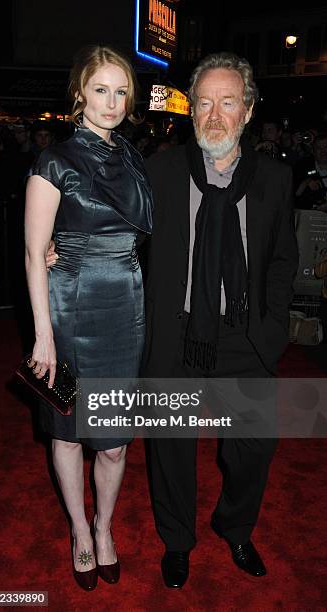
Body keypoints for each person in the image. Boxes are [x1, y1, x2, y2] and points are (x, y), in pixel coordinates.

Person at [142, 52, 298, 587]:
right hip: (176, 334)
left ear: (248, 111)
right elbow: (119, 238)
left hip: (245, 336)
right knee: (171, 451)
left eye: (227, 103)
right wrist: (60, 248)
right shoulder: (159, 172)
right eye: (204, 103)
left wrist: (272, 331)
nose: (213, 115)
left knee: (254, 447)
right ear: (192, 112)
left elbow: (282, 261)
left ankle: (235, 527)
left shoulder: (276, 180)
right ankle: (178, 541)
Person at [25, 44, 152, 591]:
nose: (112, 101)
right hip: (68, 310)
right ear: (80, 94)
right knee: (70, 432)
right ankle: (79, 530)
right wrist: (43, 338)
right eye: (101, 89)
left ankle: (106, 526)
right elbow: (35, 253)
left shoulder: (133, 158)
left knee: (116, 439)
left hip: (126, 307)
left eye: (121, 91)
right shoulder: (54, 160)